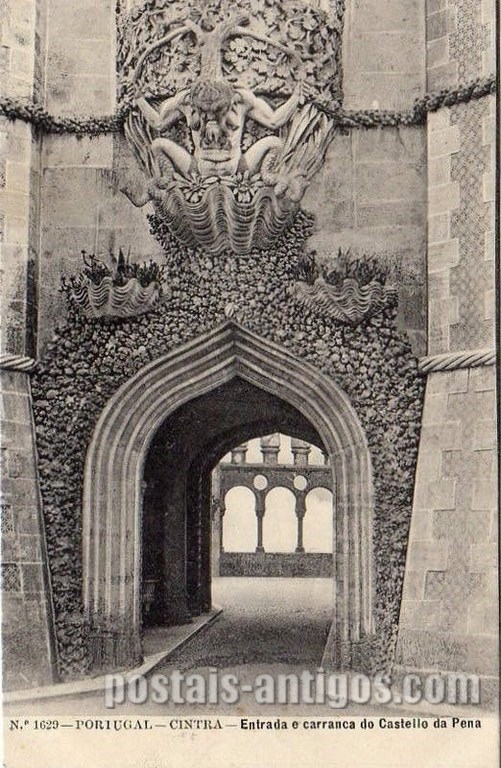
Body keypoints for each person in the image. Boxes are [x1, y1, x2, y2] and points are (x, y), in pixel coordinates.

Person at [132, 76, 308, 180]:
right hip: (198, 168)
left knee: (275, 143)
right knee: (157, 145)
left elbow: (274, 121)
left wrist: (296, 96)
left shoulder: (240, 101)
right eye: (204, 111)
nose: (210, 116)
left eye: (216, 110)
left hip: (237, 166)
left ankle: (267, 174)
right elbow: (159, 123)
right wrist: (139, 98)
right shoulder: (187, 104)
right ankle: (167, 179)